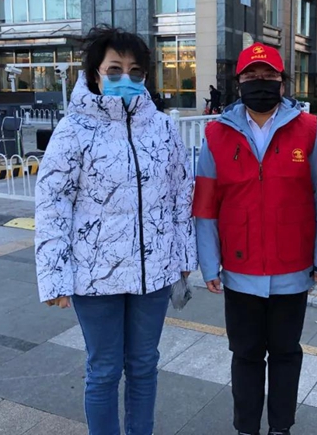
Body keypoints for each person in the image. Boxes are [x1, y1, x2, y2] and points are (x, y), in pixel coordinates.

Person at [35, 26, 197, 435]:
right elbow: (53, 204)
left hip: (153, 273)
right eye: (114, 69)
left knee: (144, 365)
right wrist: (54, 277)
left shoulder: (163, 128)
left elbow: (181, 194)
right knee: (104, 369)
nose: (126, 78)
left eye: (135, 71)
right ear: (95, 73)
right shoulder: (73, 130)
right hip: (95, 276)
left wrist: (183, 257)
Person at [193, 42, 317, 435]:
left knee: (286, 354)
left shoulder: (308, 130)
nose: (260, 82)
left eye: (268, 76)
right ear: (239, 83)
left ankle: (280, 428)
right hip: (240, 272)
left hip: (293, 271)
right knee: (246, 355)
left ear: (282, 83)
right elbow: (205, 205)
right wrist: (209, 264)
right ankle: (246, 428)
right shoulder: (216, 134)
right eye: (251, 77)